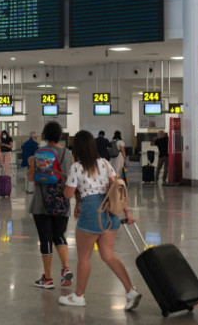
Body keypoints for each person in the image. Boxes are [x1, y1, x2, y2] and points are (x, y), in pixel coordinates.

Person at [59, 130, 140, 310]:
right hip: (111, 213)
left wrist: (64, 187)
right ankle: (130, 290)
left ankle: (79, 296)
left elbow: (68, 193)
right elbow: (117, 188)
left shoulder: (77, 167)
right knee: (108, 255)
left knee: (84, 258)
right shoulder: (105, 163)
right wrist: (127, 212)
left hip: (91, 213)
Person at [28, 122, 74, 289]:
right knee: (59, 235)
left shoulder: (39, 153)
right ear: (60, 136)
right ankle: (65, 267)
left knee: (45, 238)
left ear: (44, 136)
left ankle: (47, 277)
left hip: (41, 202)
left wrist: (32, 163)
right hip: (61, 201)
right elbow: (71, 178)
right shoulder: (69, 154)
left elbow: (31, 178)